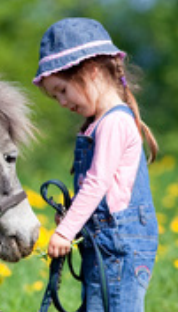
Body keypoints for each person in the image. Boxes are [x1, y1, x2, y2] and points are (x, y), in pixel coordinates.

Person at [33, 17, 159, 312]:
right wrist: (73, 219)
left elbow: (97, 181)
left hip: (118, 246)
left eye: (62, 90)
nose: (62, 102)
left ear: (90, 72)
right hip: (103, 244)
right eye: (55, 97)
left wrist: (65, 231)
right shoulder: (98, 124)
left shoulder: (114, 122)